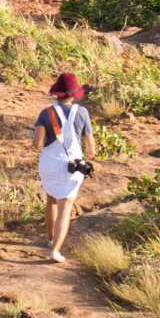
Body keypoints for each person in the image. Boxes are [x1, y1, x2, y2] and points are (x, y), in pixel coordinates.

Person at [32, 72, 95, 261]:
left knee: (51, 199)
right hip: (72, 166)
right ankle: (55, 251)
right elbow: (90, 146)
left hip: (49, 164)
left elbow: (38, 144)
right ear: (74, 93)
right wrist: (89, 157)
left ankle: (51, 239)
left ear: (57, 93)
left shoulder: (46, 113)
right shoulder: (82, 113)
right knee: (65, 208)